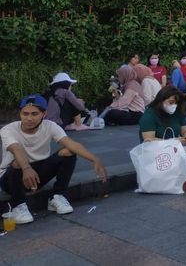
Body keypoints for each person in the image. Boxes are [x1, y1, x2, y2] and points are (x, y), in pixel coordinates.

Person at [0, 94, 108, 224]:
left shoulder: (50, 126)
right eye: (25, 114)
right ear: (20, 113)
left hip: (38, 175)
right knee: (17, 162)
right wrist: (27, 168)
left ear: (44, 114)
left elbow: (72, 143)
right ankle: (18, 206)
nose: (29, 118)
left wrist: (95, 159)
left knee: (68, 151)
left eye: (34, 114)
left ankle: (57, 196)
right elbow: (16, 149)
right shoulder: (8, 129)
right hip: (11, 178)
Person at [138, 86, 186, 184]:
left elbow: (185, 131)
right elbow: (148, 140)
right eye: (170, 102)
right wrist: (174, 141)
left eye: (176, 103)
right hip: (157, 155)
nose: (174, 105)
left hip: (176, 150)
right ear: (161, 100)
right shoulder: (149, 116)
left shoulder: (178, 113)